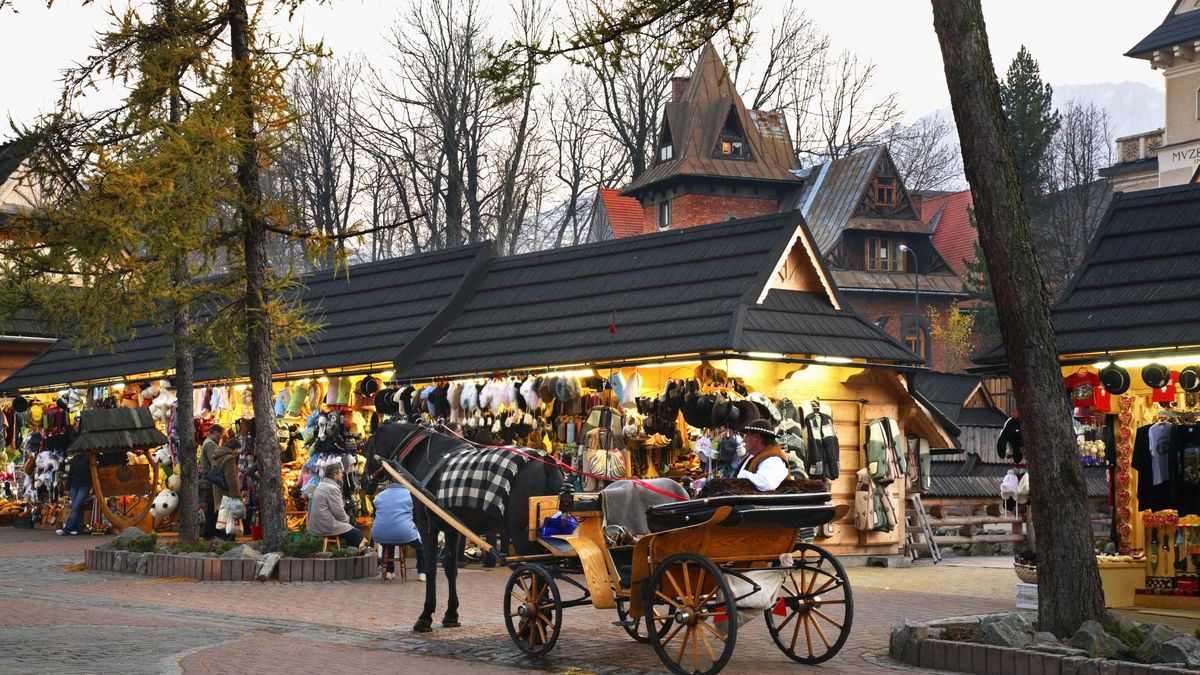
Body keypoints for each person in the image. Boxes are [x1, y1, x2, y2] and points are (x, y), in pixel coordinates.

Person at [371, 481, 426, 581]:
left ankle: (388, 571)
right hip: (404, 532)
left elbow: (375, 514)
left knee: (388, 542)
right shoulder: (410, 494)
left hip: (380, 533)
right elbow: (417, 516)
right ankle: (422, 572)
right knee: (421, 546)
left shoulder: (379, 495)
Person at [308, 462, 365, 550]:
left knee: (351, 531)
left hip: (317, 524)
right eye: (341, 473)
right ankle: (358, 557)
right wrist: (347, 520)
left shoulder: (321, 485)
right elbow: (338, 511)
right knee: (356, 534)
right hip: (326, 525)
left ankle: (350, 554)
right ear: (335, 475)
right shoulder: (332, 488)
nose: (342, 475)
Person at [736, 419, 789, 491]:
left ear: (757, 437)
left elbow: (767, 484)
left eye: (747, 436)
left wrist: (743, 475)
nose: (744, 440)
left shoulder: (774, 459)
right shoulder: (754, 455)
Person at [211, 436, 243, 539]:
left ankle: (223, 540)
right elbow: (231, 478)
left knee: (222, 517)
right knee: (230, 517)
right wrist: (236, 496)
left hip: (218, 489)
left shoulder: (218, 456)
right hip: (227, 492)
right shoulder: (229, 458)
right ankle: (228, 541)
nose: (237, 452)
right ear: (234, 448)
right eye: (237, 450)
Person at [57, 452, 92, 535]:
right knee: (77, 507)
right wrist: (67, 487)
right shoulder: (74, 460)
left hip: (84, 486)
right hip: (75, 486)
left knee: (75, 507)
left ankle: (68, 529)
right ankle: (79, 528)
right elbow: (71, 474)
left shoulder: (88, 458)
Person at [198, 424, 223, 538]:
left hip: (208, 478)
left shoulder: (208, 443)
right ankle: (210, 533)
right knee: (213, 506)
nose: (221, 437)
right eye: (220, 434)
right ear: (216, 432)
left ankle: (210, 533)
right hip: (211, 480)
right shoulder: (210, 445)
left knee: (211, 506)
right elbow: (215, 463)